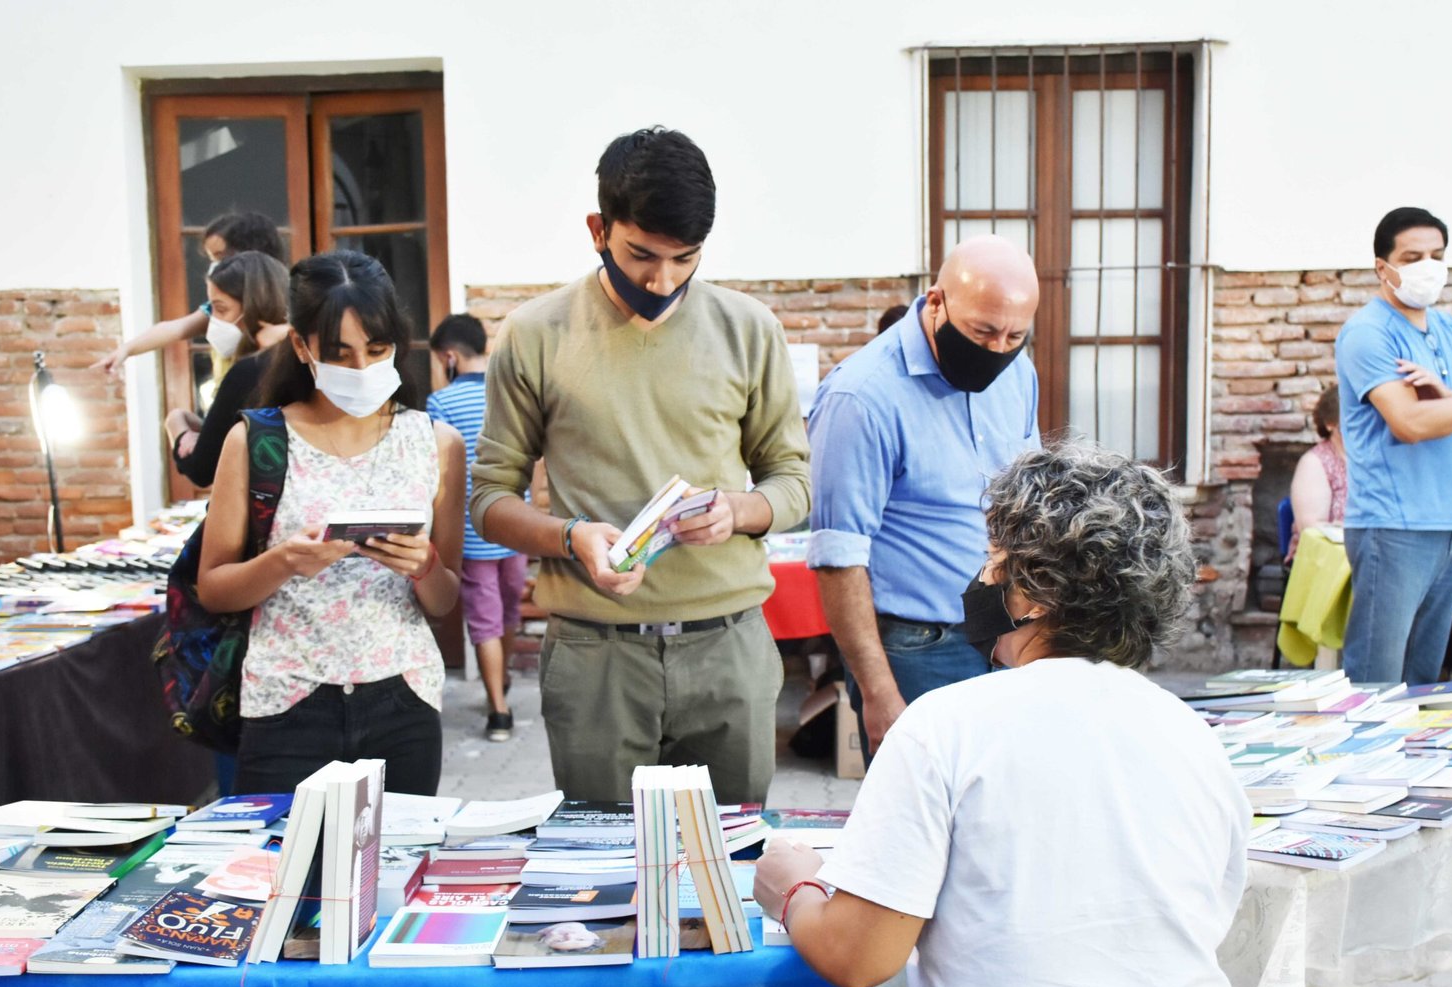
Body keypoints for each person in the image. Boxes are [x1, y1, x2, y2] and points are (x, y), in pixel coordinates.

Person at [755, 442, 1250, 987]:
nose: (984, 577)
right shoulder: (1193, 734)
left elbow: (857, 957)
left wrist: (792, 887)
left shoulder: (946, 725)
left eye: (995, 559)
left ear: (1035, 591)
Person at [470, 127, 810, 805]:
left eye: (686, 258)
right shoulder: (536, 333)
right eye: (641, 255)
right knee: (599, 874)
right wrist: (571, 538)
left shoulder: (749, 328)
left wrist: (739, 510)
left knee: (730, 869)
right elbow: (488, 500)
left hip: (729, 646)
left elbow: (793, 482)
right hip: (596, 654)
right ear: (599, 228)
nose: (663, 279)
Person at [197, 249, 466, 795]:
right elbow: (214, 589)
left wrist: (425, 565)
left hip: (404, 699)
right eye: (341, 354)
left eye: (378, 349)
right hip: (286, 702)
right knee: (286, 877)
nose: (364, 369)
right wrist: (284, 562)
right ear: (302, 346)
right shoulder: (255, 441)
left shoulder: (436, 444)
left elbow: (444, 601)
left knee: (396, 874)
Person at [807, 234, 1040, 761]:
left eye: (1014, 336)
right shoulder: (861, 398)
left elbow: (1026, 501)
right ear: (936, 302)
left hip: (1006, 633)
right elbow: (838, 559)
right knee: (926, 824)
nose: (997, 350)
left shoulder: (1018, 373)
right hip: (917, 648)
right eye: (983, 332)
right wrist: (879, 694)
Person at [1336, 207, 1452, 685]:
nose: (1428, 267)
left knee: (1424, 683)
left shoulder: (1449, 330)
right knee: (1376, 683)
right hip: (1391, 525)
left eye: (1437, 256)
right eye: (1413, 256)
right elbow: (1410, 423)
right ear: (1384, 267)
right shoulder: (1368, 333)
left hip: (1447, 524)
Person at [426, 312, 527, 742]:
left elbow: (436, 474)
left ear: (448, 357)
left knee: (484, 620)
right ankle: (498, 683)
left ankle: (499, 712)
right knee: (507, 612)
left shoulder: (442, 403)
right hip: (516, 526)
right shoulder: (509, 395)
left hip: (471, 532)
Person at [93, 211, 289, 376]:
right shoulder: (217, 311)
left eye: (222, 258)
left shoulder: (294, 305)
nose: (215, 267)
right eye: (212, 259)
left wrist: (287, 335)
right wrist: (127, 350)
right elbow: (175, 328)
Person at [161, 251, 290, 487]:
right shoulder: (305, 364)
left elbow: (202, 468)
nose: (214, 322)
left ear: (254, 307)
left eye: (221, 310)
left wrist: (176, 423)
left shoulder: (249, 372)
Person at [1285, 384, 1348, 562]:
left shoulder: (1374, 459)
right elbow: (1311, 530)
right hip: (1323, 563)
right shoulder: (1315, 463)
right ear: (1330, 423)